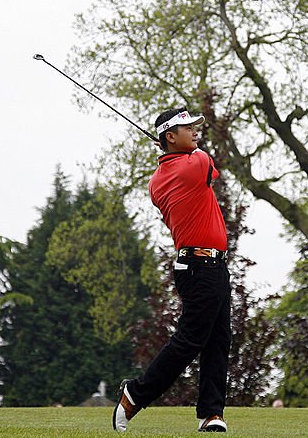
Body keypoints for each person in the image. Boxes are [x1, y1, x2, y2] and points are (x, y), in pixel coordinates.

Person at [113, 108, 231, 433]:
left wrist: (174, 151)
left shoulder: (157, 179)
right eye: (187, 127)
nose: (195, 131)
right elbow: (207, 167)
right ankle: (135, 394)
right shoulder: (195, 164)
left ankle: (211, 414)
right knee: (191, 339)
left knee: (218, 339)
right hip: (200, 265)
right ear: (169, 136)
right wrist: (184, 152)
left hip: (208, 265)